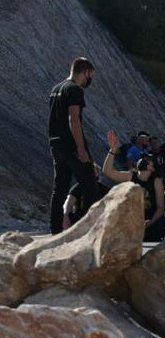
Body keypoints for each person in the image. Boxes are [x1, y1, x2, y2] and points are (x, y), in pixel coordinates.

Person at [48, 57, 97, 234]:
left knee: (59, 188)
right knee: (90, 185)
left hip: (56, 144)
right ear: (84, 72)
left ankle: (55, 231)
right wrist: (81, 149)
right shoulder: (74, 90)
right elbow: (73, 118)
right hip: (72, 146)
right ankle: (88, 230)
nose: (89, 79)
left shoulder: (56, 89)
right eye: (89, 75)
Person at [101, 130, 165, 241]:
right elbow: (108, 172)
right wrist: (113, 150)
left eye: (148, 160)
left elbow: (160, 208)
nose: (144, 160)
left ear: (152, 168)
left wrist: (150, 222)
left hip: (149, 221)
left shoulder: (156, 181)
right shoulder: (130, 176)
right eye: (142, 158)